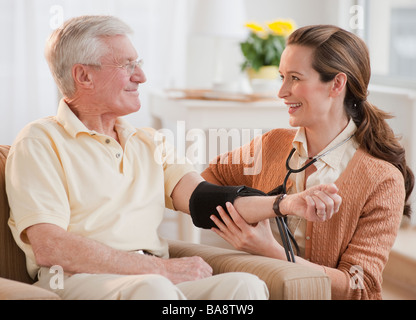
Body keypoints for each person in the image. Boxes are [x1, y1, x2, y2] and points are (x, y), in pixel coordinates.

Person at [5, 16, 341, 300]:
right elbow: (50, 245)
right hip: (80, 279)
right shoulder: (40, 141)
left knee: (245, 287)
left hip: (151, 281)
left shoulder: (149, 142)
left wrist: (286, 203)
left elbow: (206, 200)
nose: (141, 76)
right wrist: (158, 269)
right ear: (83, 76)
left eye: (139, 64)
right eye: (127, 65)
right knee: (155, 290)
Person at [202, 25, 414, 300]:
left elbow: (359, 285)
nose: (281, 91)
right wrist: (255, 209)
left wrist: (272, 252)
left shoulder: (382, 179)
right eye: (282, 77)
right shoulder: (272, 145)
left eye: (295, 78)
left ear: (337, 84)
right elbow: (206, 180)